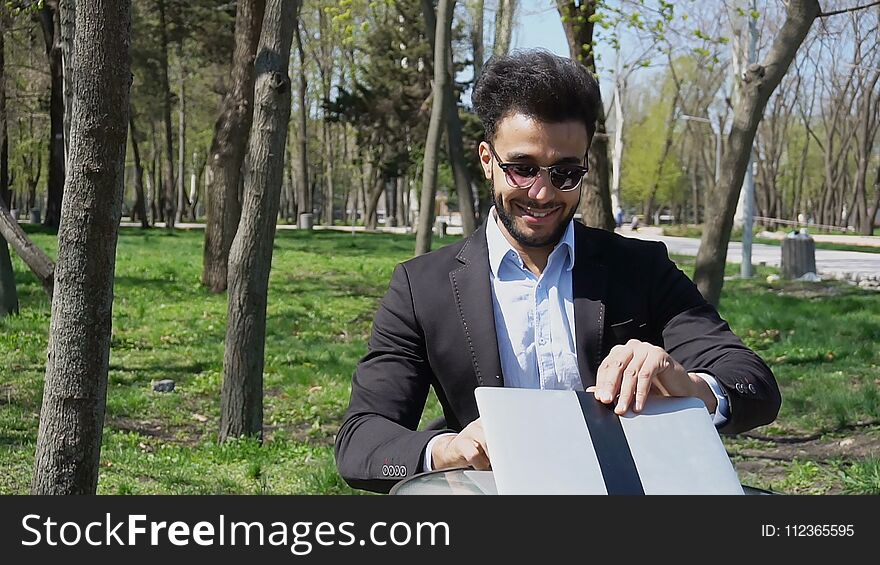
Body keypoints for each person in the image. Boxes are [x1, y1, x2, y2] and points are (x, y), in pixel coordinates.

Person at [335, 50, 780, 493]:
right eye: (523, 169)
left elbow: (754, 384)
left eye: (566, 172)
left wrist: (693, 388)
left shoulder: (640, 269)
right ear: (487, 159)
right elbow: (360, 448)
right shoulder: (421, 287)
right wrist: (445, 451)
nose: (543, 193)